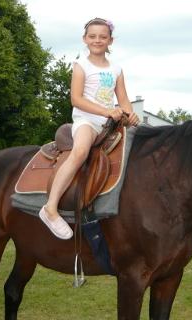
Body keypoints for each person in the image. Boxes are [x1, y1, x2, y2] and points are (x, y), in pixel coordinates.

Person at [39, 17, 139, 239]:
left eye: (103, 37)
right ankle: (50, 208)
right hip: (87, 121)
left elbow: (123, 99)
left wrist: (130, 113)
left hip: (109, 124)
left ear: (110, 40)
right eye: (92, 36)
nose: (97, 40)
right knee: (81, 151)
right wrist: (106, 111)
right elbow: (76, 99)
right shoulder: (81, 65)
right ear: (85, 39)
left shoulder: (116, 69)